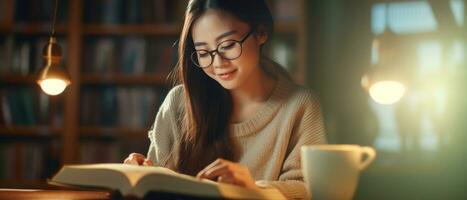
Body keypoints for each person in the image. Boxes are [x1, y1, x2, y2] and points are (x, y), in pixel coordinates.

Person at [124, 0, 326, 199]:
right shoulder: (178, 102)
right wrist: (140, 172)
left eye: (228, 45)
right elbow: (156, 183)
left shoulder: (299, 105)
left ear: (260, 32)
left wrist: (253, 190)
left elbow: (308, 189)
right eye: (203, 52)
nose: (218, 63)